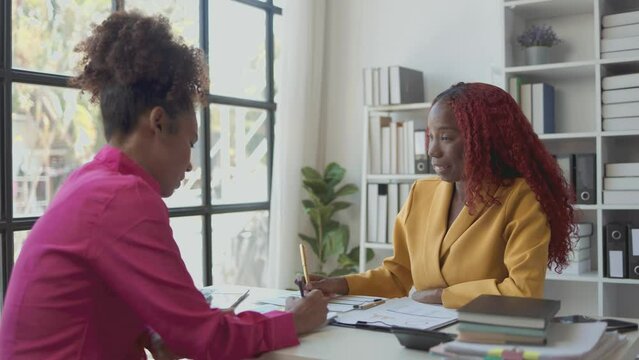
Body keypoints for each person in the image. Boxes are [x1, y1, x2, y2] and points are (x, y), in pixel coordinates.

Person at [0, 11, 328, 359]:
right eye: (190, 143)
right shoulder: (124, 197)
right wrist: (293, 321)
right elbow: (205, 340)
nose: (189, 163)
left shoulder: (88, 183)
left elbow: (96, 303)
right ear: (158, 122)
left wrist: (157, 329)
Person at [309, 82, 575, 309]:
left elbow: (524, 292)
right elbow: (398, 274)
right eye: (431, 137)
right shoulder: (420, 193)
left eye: (446, 138)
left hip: (484, 338)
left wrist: (443, 296)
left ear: (484, 140)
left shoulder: (521, 200)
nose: (432, 151)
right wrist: (341, 284)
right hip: (420, 335)